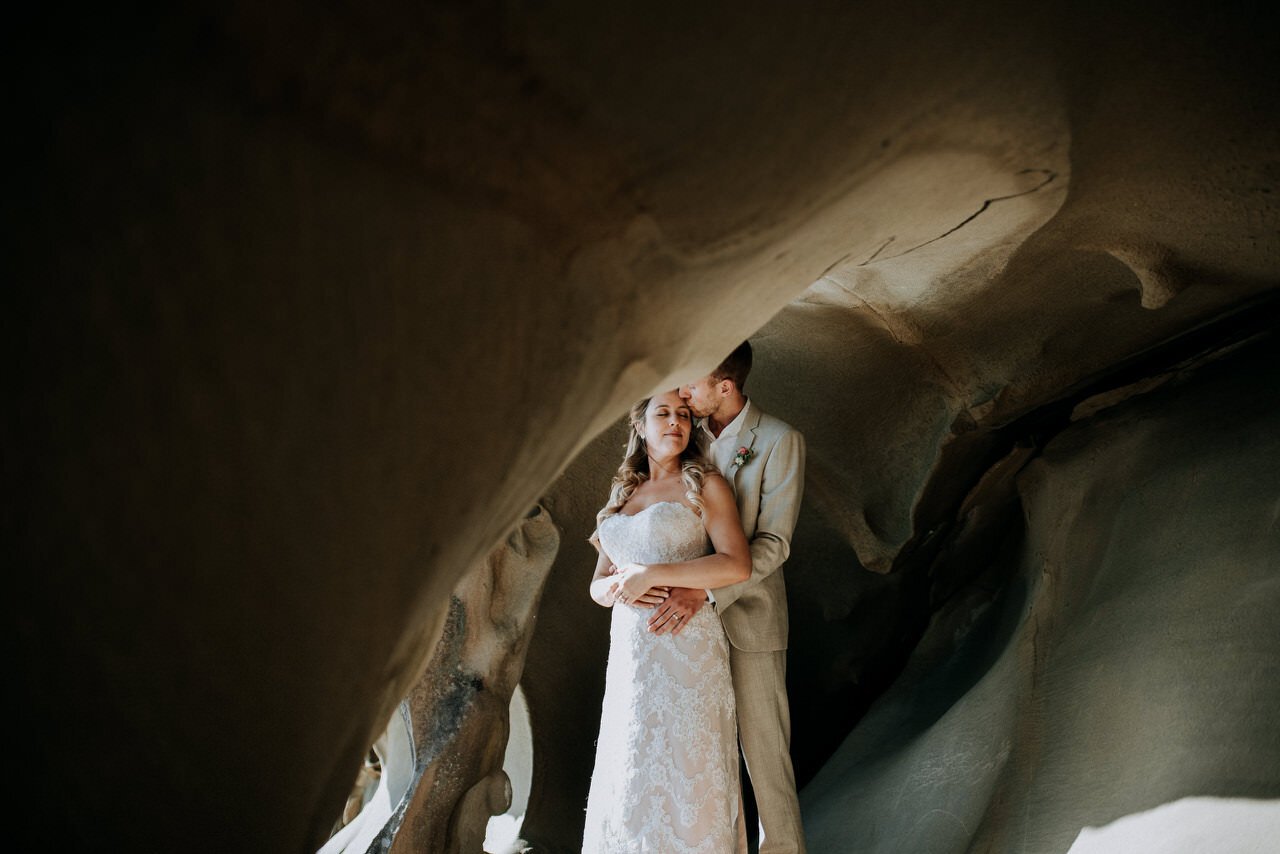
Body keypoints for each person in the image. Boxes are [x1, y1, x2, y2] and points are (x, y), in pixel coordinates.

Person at [583, 389, 753, 853]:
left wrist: (651, 575)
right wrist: (616, 589)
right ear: (640, 425)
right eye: (663, 413)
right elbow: (598, 584)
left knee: (687, 767)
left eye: (682, 415)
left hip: (687, 647)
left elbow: (736, 564)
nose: (675, 422)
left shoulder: (705, 483)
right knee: (633, 763)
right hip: (632, 659)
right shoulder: (623, 493)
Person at [654, 341, 807, 854]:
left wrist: (708, 591)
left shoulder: (780, 441)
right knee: (704, 753)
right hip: (683, 626)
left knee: (765, 756)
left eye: (693, 384)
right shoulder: (682, 432)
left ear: (726, 386)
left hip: (748, 619)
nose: (683, 392)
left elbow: (774, 543)